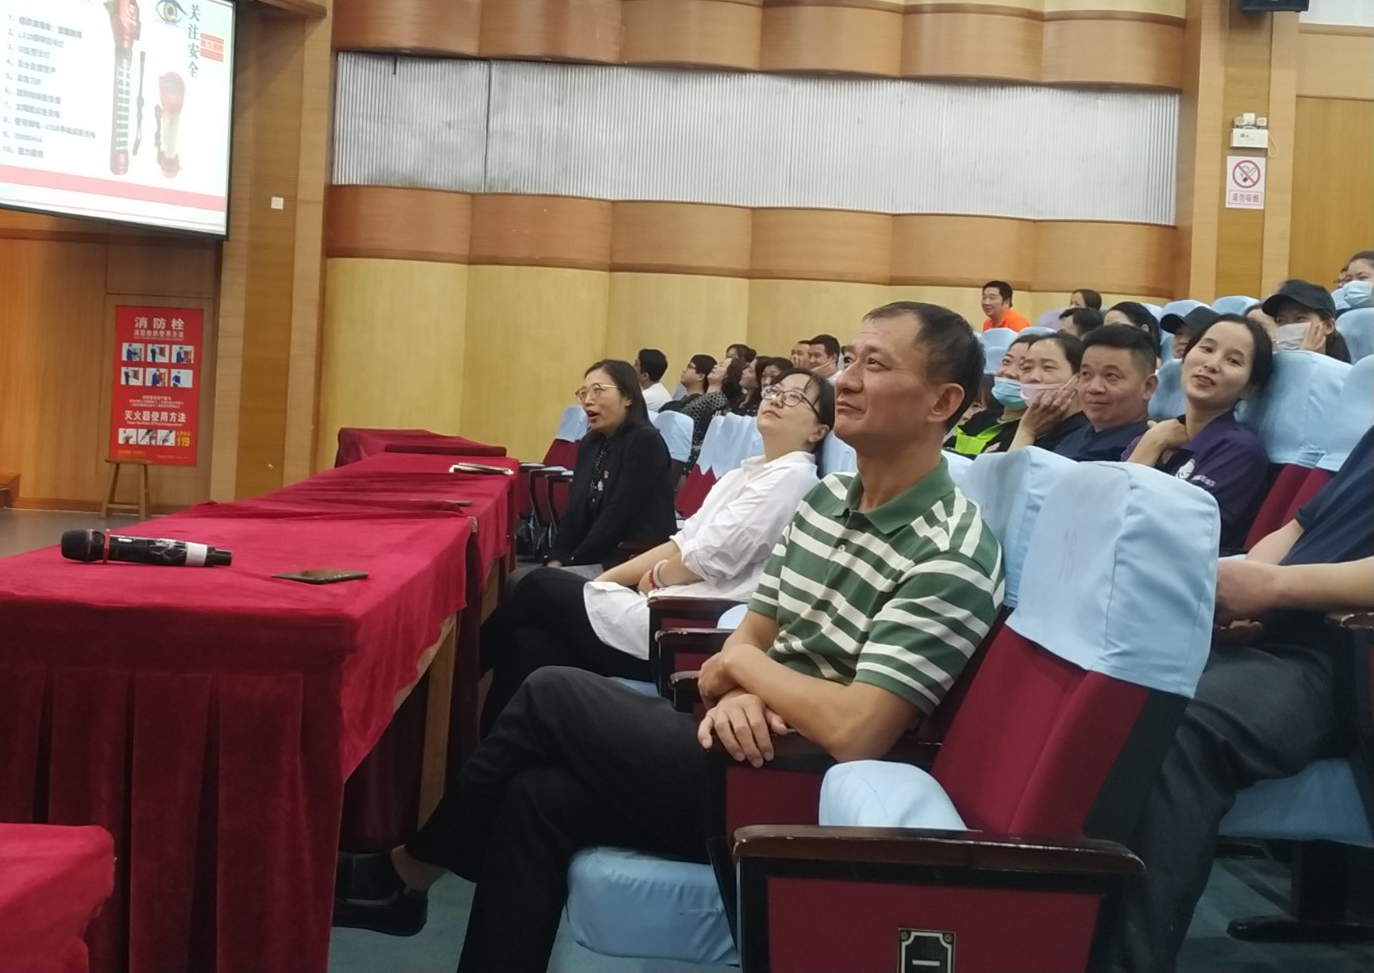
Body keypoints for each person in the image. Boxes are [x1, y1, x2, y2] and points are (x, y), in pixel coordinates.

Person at [333, 304, 1004, 973]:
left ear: (943, 402)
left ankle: (408, 871)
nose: (847, 379)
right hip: (742, 737)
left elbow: (858, 729)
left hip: (797, 787)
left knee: (550, 692)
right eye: (850, 359)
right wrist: (740, 679)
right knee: (538, 798)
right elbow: (754, 631)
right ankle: (409, 885)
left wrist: (746, 674)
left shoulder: (950, 551)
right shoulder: (829, 503)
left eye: (875, 365)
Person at [1111, 426, 1374, 973]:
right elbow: (1299, 529)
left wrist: (1273, 590)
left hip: (1338, 659)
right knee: (1118, 687)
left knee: (1177, 724)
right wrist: (1240, 590)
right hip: (1270, 635)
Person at [478, 370, 834, 731]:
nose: (775, 399)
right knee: (527, 646)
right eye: (774, 391)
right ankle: (477, 740)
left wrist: (655, 577)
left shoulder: (792, 479)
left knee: (537, 585)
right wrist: (605, 582)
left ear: (818, 431)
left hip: (683, 630)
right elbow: (682, 542)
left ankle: (462, 674)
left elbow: (706, 557)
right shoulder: (744, 474)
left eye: (793, 397)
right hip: (660, 605)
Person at [1126, 314, 1272, 552]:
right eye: (1206, 348)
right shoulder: (1156, 435)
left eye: (1233, 361)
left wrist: (1151, 445)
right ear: (1184, 359)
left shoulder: (1240, 451)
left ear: (1249, 387)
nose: (1212, 364)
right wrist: (1152, 443)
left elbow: (1174, 532)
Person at [535, 360, 675, 578]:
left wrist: (571, 564)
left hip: (627, 562)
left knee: (535, 583)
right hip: (592, 557)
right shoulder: (590, 443)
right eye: (584, 393)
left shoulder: (644, 442)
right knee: (522, 579)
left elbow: (616, 517)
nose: (588, 400)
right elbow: (575, 511)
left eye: (598, 391)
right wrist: (556, 558)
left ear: (628, 397)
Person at [1017, 324, 1156, 462]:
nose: (1094, 388)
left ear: (1148, 386)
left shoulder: (1145, 448)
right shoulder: (1073, 436)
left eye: (1111, 376)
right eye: (1086, 374)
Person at [984, 331, 1086, 456]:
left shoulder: (1083, 437)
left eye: (1047, 367)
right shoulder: (1021, 429)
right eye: (1027, 368)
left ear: (1079, 378)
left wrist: (1027, 433)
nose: (1033, 377)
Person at [948, 335, 1033, 455]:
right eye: (1006, 361)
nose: (1009, 372)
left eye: (1024, 367)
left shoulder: (1031, 432)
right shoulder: (980, 418)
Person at [662, 356, 741, 463]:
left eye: (721, 365)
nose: (715, 366)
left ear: (728, 375)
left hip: (689, 450)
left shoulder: (718, 399)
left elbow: (710, 430)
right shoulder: (707, 396)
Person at [1262, 279, 1351, 362]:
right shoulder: (1270, 369)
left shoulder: (1343, 371)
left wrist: (1304, 358)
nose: (1288, 327)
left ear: (1328, 326)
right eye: (1280, 321)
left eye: (1299, 319)